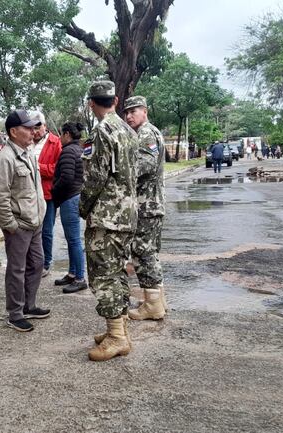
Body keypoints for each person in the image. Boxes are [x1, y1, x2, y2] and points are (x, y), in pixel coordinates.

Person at [80, 81, 138, 362]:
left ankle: (116, 337)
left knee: (104, 276)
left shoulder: (102, 131)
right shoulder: (128, 130)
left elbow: (96, 176)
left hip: (107, 216)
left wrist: (83, 206)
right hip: (127, 214)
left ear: (92, 103)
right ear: (115, 100)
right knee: (118, 271)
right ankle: (120, 329)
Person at [0, 109, 51, 332]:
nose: (32, 131)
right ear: (14, 131)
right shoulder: (6, 159)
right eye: (27, 128)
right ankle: (15, 313)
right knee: (16, 269)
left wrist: (40, 213)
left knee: (36, 263)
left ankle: (29, 305)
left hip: (34, 222)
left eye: (33, 127)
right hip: (19, 225)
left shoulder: (28, 153)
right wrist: (11, 226)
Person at [123, 96, 167, 321]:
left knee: (142, 253)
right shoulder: (150, 132)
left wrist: (121, 170)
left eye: (134, 111)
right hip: (151, 204)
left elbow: (146, 165)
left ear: (145, 112)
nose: (129, 116)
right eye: (127, 112)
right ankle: (157, 299)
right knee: (150, 253)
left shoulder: (146, 133)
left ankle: (152, 305)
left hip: (146, 205)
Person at [51, 121, 87, 294]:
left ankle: (80, 278)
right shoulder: (79, 150)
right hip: (76, 196)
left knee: (73, 240)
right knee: (72, 239)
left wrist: (53, 191)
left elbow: (65, 178)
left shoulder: (67, 152)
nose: (59, 138)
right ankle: (73, 273)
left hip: (69, 198)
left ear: (67, 134)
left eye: (61, 134)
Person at [29, 112, 62, 277]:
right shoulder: (27, 143)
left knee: (46, 230)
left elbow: (57, 169)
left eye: (37, 127)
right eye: (32, 127)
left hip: (47, 194)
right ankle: (34, 262)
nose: (35, 131)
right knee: (32, 229)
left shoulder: (55, 142)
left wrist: (37, 167)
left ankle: (46, 263)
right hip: (29, 194)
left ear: (44, 125)